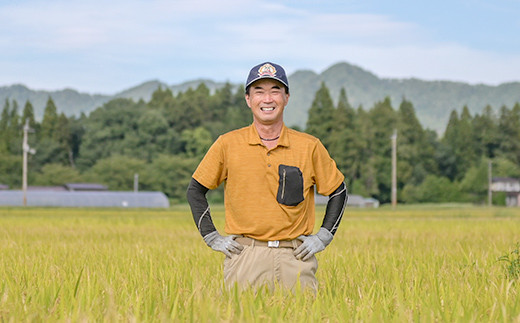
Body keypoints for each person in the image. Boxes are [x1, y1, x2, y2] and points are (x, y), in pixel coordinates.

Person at [186, 62, 347, 291]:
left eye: (275, 91)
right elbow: (195, 190)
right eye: (259, 92)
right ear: (248, 99)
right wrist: (211, 237)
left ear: (287, 97)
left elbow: (338, 190)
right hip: (245, 257)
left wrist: (323, 237)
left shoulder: (309, 146)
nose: (268, 99)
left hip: (296, 258)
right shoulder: (228, 144)